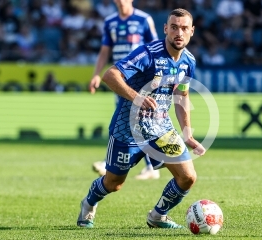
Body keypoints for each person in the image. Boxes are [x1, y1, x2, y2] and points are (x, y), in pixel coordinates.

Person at [77, 8, 206, 229]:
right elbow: (110, 75)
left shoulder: (188, 62)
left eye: (184, 28)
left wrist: (188, 133)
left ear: (192, 31)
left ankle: (157, 216)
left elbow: (181, 95)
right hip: (127, 128)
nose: (179, 32)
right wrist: (137, 97)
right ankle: (88, 204)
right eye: (174, 27)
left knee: (187, 177)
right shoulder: (148, 53)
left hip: (160, 128)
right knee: (113, 183)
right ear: (165, 29)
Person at [89, 0, 160, 180]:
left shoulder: (144, 19)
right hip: (119, 78)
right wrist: (97, 74)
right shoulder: (110, 22)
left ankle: (115, 163)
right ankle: (150, 165)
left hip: (140, 76)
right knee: (129, 119)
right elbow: (105, 50)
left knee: (136, 119)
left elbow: (156, 48)